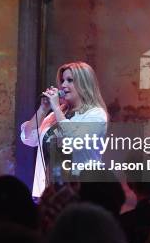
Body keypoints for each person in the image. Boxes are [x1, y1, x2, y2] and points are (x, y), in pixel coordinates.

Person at [20, 61, 108, 199]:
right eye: (62, 80)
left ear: (84, 85)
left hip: (77, 196)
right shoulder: (56, 114)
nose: (63, 85)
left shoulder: (95, 115)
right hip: (45, 193)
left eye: (70, 80)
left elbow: (74, 142)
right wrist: (42, 110)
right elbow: (29, 138)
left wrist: (56, 108)